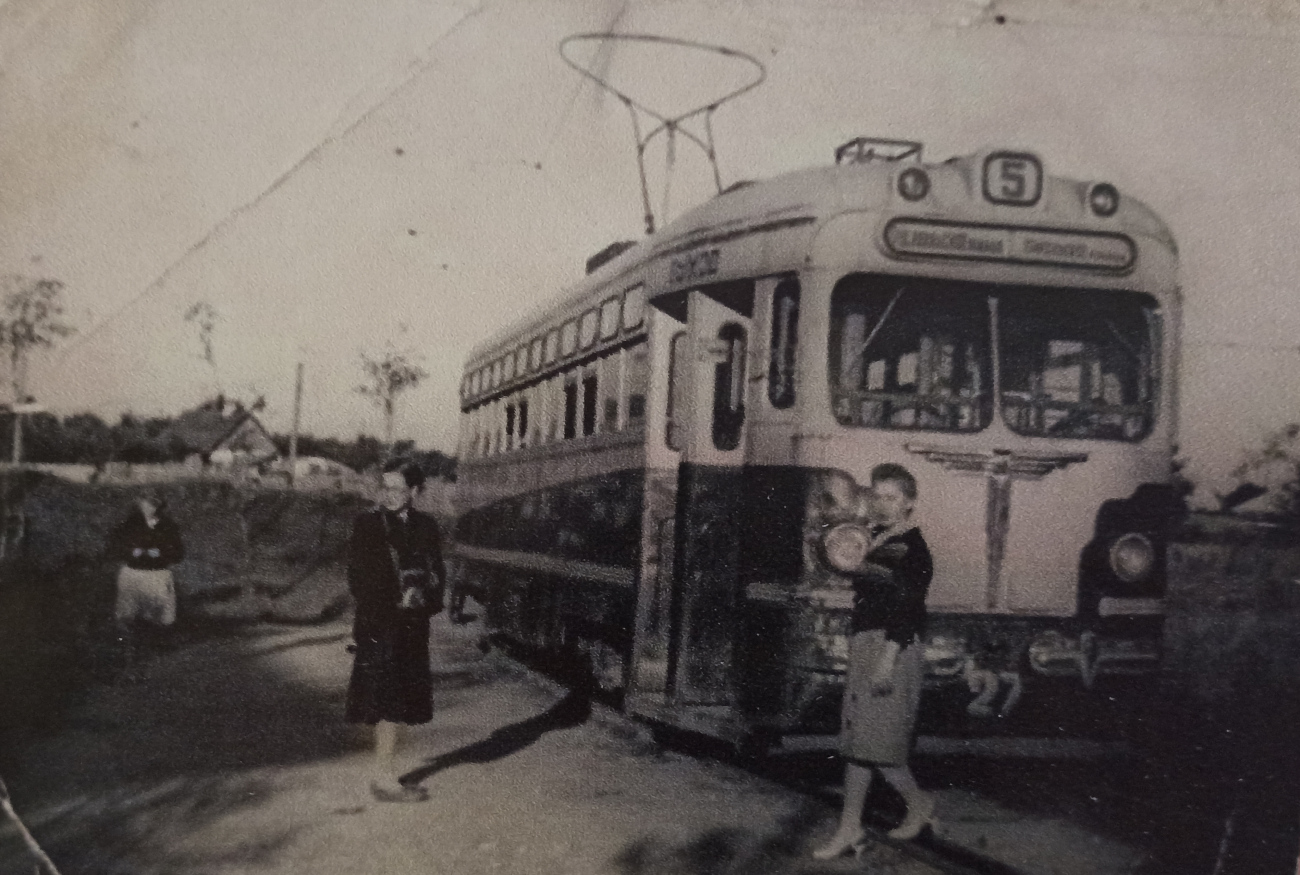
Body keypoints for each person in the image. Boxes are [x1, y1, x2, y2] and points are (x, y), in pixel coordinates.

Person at [813, 463, 935, 859]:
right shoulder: (880, 540)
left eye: (893, 498)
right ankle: (850, 829)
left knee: (880, 749)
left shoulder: (912, 549)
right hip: (869, 645)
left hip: (891, 650)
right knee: (857, 746)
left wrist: (885, 660)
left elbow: (908, 612)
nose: (883, 504)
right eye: (878, 496)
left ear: (909, 504)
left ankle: (919, 804)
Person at [345, 460, 446, 802]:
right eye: (384, 488)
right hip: (379, 623)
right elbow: (357, 577)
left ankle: (385, 773)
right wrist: (392, 598)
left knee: (398, 699)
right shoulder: (367, 525)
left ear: (415, 491)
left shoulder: (427, 526)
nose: (388, 495)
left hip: (412, 626)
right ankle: (384, 779)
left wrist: (424, 595)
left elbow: (437, 574)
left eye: (397, 489)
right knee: (386, 699)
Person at [108, 493, 185, 677]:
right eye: (147, 503)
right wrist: (133, 552)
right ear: (139, 503)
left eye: (155, 503)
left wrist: (158, 553)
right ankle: (128, 665)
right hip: (133, 576)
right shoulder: (129, 525)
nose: (151, 507)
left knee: (152, 622)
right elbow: (115, 547)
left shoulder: (168, 526)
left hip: (157, 576)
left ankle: (144, 665)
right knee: (127, 621)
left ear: (160, 506)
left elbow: (178, 553)